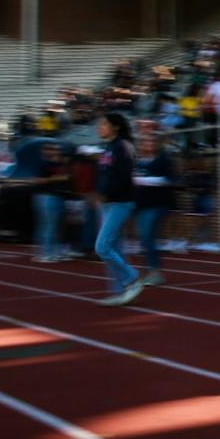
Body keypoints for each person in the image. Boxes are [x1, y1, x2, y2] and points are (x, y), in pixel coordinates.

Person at [93, 113, 144, 306]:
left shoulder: (123, 147)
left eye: (104, 124)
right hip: (107, 203)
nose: (100, 127)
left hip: (120, 202)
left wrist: (105, 193)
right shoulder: (108, 147)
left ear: (115, 127)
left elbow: (123, 176)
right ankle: (120, 290)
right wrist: (99, 193)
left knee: (102, 246)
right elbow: (105, 174)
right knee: (115, 247)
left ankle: (132, 279)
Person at [133, 127, 177, 285]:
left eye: (152, 141)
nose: (149, 143)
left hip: (158, 204)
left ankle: (155, 272)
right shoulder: (137, 161)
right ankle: (152, 271)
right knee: (145, 239)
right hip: (141, 205)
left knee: (148, 237)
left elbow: (170, 179)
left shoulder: (164, 160)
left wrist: (145, 180)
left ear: (158, 143)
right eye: (146, 141)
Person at [31, 142, 70, 263]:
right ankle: (45, 253)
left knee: (55, 225)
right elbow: (39, 180)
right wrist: (58, 178)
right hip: (46, 196)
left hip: (57, 196)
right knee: (48, 225)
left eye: (56, 149)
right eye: (50, 149)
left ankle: (54, 252)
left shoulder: (60, 164)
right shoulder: (43, 164)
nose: (54, 151)